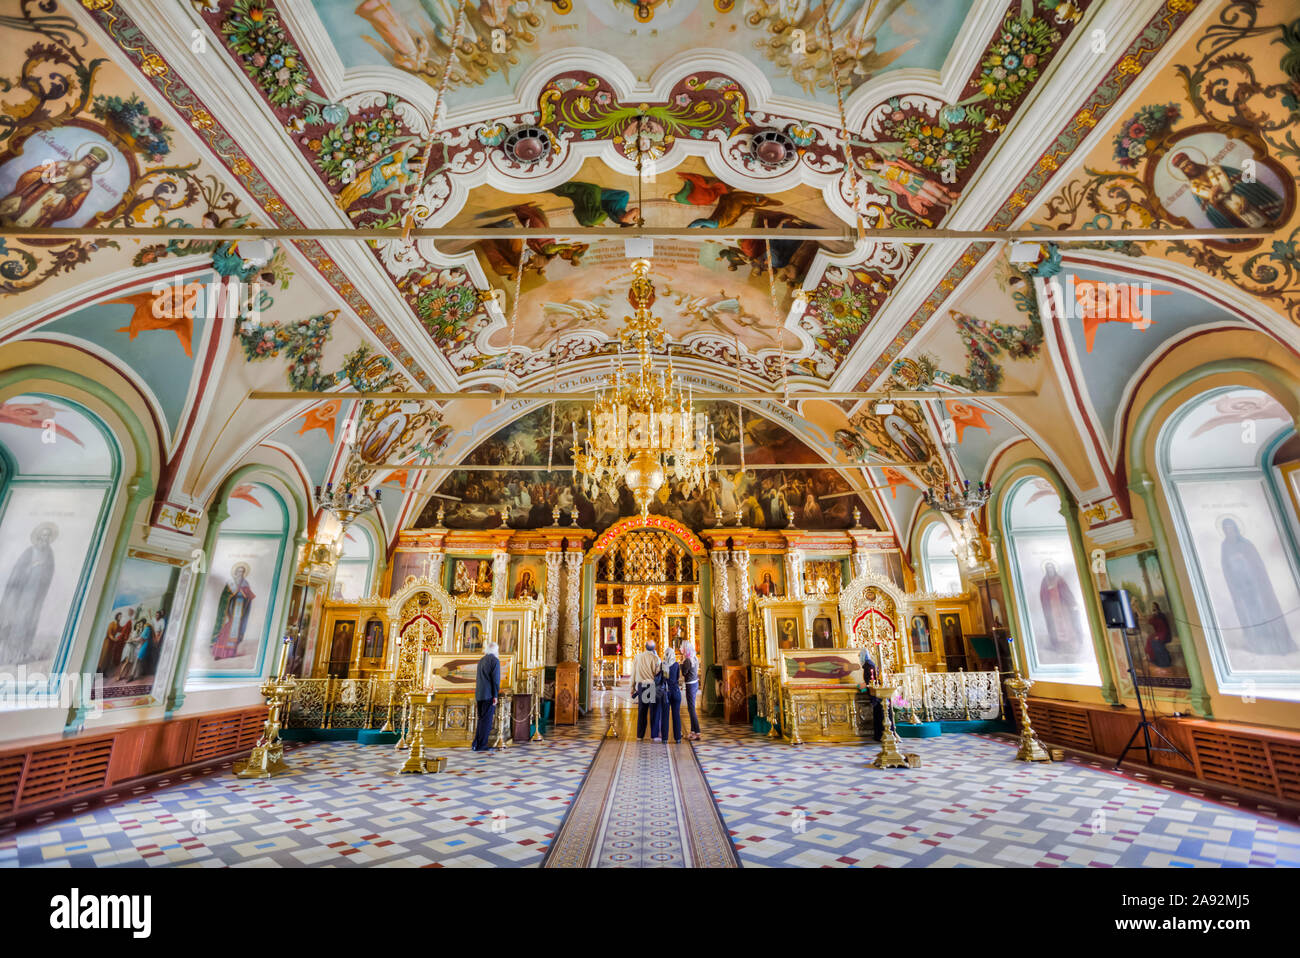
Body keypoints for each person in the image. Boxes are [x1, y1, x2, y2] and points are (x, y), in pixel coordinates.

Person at [630, 639, 663, 741]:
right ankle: (654, 735)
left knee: (642, 711)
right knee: (653, 711)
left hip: (641, 686)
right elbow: (658, 673)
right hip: (651, 686)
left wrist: (632, 687)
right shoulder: (656, 658)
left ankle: (640, 735)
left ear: (645, 646)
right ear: (654, 648)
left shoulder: (638, 657)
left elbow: (633, 673)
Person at [472, 641, 501, 751]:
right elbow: (496, 681)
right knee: (486, 721)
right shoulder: (495, 661)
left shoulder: (482, 660)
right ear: (495, 650)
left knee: (481, 720)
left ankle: (476, 743)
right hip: (489, 695)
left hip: (479, 694)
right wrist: (495, 695)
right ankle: (482, 745)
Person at [858, 646, 884, 742]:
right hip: (873, 694)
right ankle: (878, 735)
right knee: (877, 714)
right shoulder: (868, 665)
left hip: (875, 695)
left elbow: (872, 681)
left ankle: (880, 735)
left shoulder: (869, 665)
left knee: (879, 715)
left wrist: (864, 685)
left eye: (860, 656)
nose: (859, 658)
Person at [680, 639, 701, 741]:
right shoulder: (694, 658)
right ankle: (693, 731)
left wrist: (680, 665)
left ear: (685, 649)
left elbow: (684, 672)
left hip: (691, 685)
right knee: (690, 708)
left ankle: (697, 732)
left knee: (691, 709)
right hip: (694, 683)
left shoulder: (687, 660)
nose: (680, 648)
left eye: (681, 647)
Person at [662, 645, 683, 743]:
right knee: (676, 715)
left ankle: (665, 738)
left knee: (665, 715)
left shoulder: (664, 665)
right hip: (675, 691)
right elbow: (678, 677)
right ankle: (678, 738)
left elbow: (663, 679)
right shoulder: (676, 665)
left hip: (666, 692)